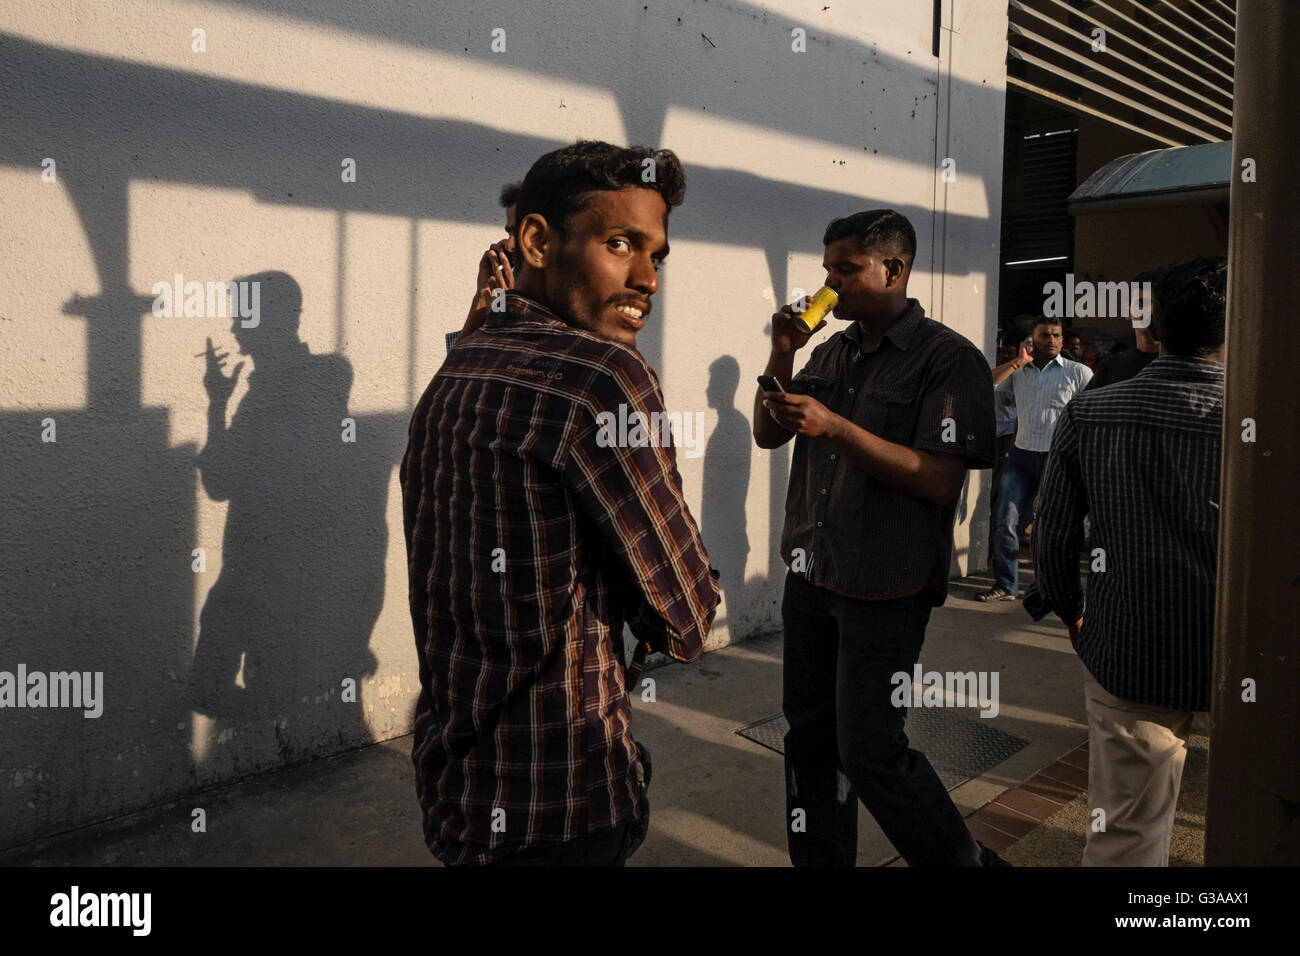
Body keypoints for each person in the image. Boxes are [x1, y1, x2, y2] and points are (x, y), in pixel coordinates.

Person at [401, 141, 720, 867]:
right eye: (620, 244)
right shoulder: (603, 379)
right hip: (562, 796)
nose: (646, 278)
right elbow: (689, 617)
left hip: (459, 787)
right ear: (538, 241)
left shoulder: (454, 373)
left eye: (657, 256)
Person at [753, 209, 1003, 867]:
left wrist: (837, 428)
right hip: (811, 575)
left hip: (884, 585)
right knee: (809, 741)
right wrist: (783, 352)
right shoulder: (831, 351)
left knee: (870, 752)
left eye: (845, 268)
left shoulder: (948, 360)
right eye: (827, 268)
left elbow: (941, 479)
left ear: (893, 269)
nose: (828, 283)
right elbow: (767, 434)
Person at [1024, 257, 1226, 866]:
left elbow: (1053, 536)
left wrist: (1073, 615)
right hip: (1247, 653)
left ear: (1154, 331)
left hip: (1131, 646)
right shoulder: (1262, 422)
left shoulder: (1091, 412)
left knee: (1125, 836)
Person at [977, 316, 1092, 602]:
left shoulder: (1079, 373)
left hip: (1060, 459)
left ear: (1063, 340)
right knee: (1005, 520)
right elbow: (984, 384)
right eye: (1044, 335)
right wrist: (1017, 362)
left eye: (1056, 335)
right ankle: (1006, 585)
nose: (1051, 340)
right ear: (1031, 341)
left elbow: (1094, 413)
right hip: (1021, 456)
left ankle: (1050, 587)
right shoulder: (1019, 373)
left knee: (1053, 527)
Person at [450, 181, 521, 348]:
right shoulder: (504, 298)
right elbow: (457, 367)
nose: (509, 245)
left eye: (519, 233)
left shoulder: (569, 313)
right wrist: (483, 295)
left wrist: (511, 309)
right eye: (509, 232)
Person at [1085, 267, 1166, 390]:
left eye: (1157, 304)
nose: (1150, 310)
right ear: (1127, 311)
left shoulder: (1182, 366)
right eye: (1141, 303)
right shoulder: (1110, 368)